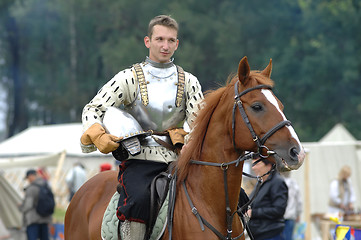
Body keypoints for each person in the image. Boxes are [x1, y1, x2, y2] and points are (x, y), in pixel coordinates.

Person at [79, 15, 203, 239]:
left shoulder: (190, 82)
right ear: (148, 41)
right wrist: (99, 135)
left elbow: (199, 123)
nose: (165, 46)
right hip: (140, 158)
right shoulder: (129, 78)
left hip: (179, 160)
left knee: (235, 198)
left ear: (177, 44)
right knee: (137, 200)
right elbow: (93, 109)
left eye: (171, 40)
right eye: (160, 39)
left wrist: (192, 142)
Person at [246, 159, 288, 240]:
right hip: (258, 234)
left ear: (269, 166)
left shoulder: (277, 182)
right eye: (253, 165)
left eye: (257, 164)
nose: (254, 168)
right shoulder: (261, 183)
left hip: (270, 234)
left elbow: (279, 210)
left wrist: (253, 212)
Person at [19, 169, 52, 240]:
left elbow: (28, 205)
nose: (28, 180)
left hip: (33, 220)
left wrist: (21, 207)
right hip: (45, 218)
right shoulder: (46, 185)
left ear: (31, 176)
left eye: (27, 178)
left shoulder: (32, 188)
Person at [281, 171, 302, 240]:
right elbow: (298, 201)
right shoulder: (293, 184)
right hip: (290, 215)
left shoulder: (277, 182)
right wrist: (298, 213)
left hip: (279, 216)